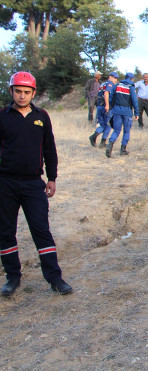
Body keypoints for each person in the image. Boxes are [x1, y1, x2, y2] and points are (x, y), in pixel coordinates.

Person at [0, 71, 72, 296]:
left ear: (33, 93)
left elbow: (49, 148)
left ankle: (55, 279)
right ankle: (13, 278)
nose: (22, 96)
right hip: (5, 183)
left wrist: (52, 177)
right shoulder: (2, 116)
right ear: (11, 91)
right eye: (18, 91)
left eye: (27, 92)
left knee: (41, 231)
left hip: (33, 184)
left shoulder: (42, 116)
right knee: (5, 232)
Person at [106, 72, 139, 158]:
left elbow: (111, 97)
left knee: (116, 130)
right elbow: (134, 100)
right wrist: (136, 113)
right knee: (126, 131)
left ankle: (110, 145)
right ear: (131, 79)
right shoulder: (131, 87)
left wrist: (111, 108)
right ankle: (123, 150)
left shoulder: (116, 86)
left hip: (116, 111)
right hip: (127, 112)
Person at [89, 71, 118, 148]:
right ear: (110, 77)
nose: (116, 80)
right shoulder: (110, 83)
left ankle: (94, 136)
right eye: (115, 78)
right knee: (108, 125)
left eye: (116, 78)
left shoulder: (102, 84)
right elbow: (106, 93)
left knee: (102, 124)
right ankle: (102, 142)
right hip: (105, 107)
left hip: (99, 106)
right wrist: (107, 105)